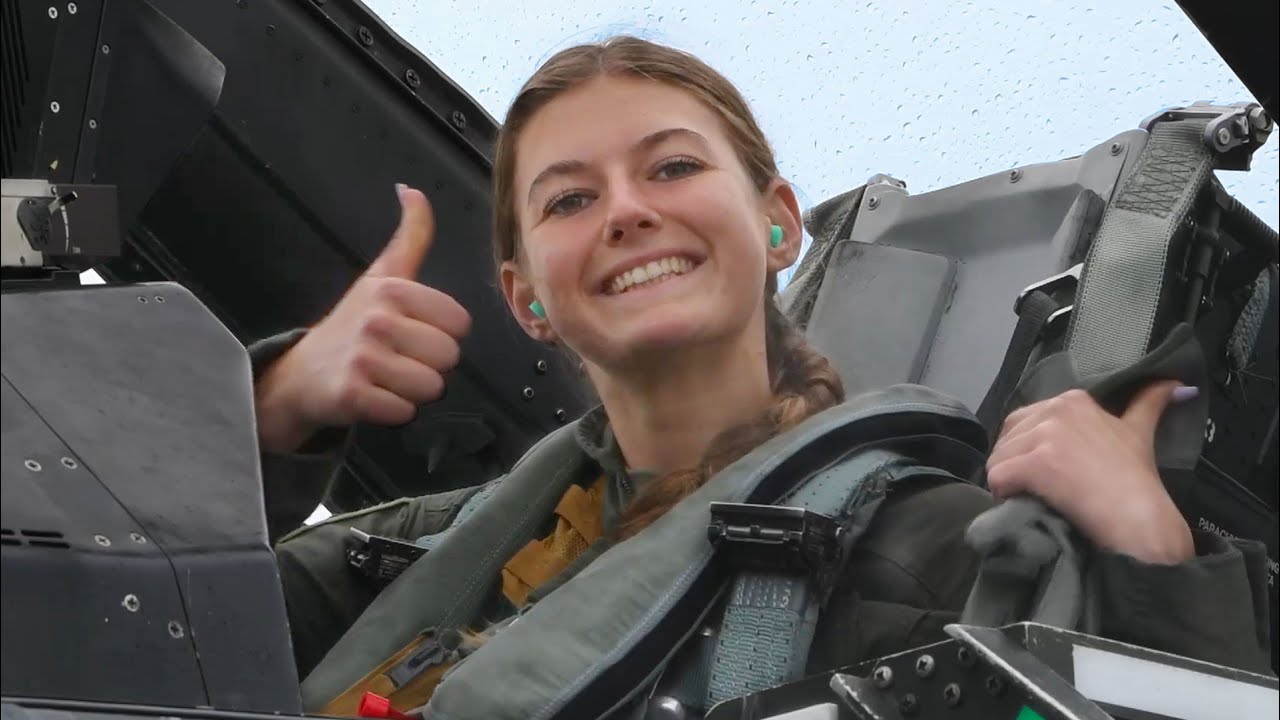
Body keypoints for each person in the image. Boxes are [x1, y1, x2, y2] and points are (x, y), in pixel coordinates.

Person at [249, 36, 1273, 715]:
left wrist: (1151, 553)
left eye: (671, 167)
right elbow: (160, 625)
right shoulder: (453, 549)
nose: (624, 212)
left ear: (777, 222)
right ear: (527, 300)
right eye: (566, 200)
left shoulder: (921, 548)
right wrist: (272, 416)